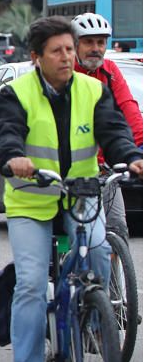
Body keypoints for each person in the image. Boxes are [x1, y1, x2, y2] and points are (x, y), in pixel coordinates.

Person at [0, 16, 143, 362]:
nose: (68, 57)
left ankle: (93, 322)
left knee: (97, 254)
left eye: (70, 49)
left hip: (81, 195)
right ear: (37, 57)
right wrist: (13, 157)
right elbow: (5, 133)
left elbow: (113, 130)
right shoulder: (17, 93)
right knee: (32, 284)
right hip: (31, 202)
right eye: (57, 51)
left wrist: (132, 158)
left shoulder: (94, 89)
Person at [70, 12, 144, 238]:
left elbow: (128, 107)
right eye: (89, 42)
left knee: (117, 227)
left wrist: (140, 150)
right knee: (72, 234)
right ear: (74, 44)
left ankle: (114, 273)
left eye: (101, 42)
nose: (96, 48)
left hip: (104, 166)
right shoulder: (64, 72)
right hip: (68, 168)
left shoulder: (110, 71)